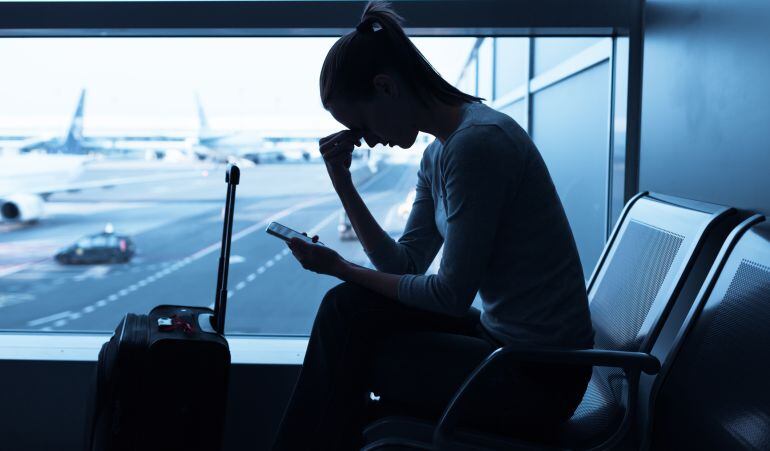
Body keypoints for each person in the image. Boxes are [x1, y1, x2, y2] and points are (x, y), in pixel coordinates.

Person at [273, 2, 594, 450]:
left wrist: (340, 266)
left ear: (385, 87)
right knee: (347, 314)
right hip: (503, 345)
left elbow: (448, 295)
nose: (364, 139)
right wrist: (343, 183)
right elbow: (403, 263)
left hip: (536, 379)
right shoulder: (439, 153)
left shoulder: (477, 146)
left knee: (347, 328)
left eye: (360, 123)